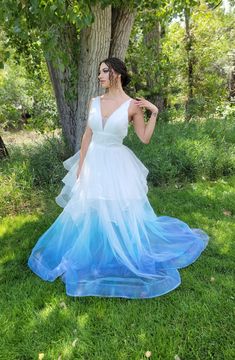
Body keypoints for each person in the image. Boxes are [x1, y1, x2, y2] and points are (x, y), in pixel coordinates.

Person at [28, 57, 209, 299]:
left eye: (105, 71)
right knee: (89, 209)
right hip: (93, 161)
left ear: (118, 74)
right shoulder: (94, 101)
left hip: (116, 162)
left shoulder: (132, 106)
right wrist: (81, 167)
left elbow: (144, 138)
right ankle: (95, 251)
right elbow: (86, 136)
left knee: (117, 210)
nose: (100, 76)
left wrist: (153, 113)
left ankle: (118, 251)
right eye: (99, 72)